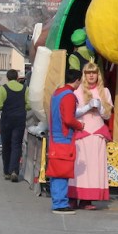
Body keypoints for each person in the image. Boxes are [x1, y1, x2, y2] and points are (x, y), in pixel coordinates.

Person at [70, 61, 113, 209]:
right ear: (84, 74)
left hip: (97, 134)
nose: (91, 75)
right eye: (88, 73)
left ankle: (87, 200)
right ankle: (73, 196)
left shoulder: (105, 91)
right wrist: (87, 107)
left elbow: (107, 116)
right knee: (79, 167)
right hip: (82, 131)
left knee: (94, 167)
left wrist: (100, 107)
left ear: (98, 74)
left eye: (94, 72)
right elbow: (72, 113)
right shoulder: (77, 91)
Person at [46, 67, 83, 214]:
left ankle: (58, 200)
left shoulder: (57, 93)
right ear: (77, 80)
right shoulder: (69, 96)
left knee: (56, 172)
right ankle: (60, 203)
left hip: (55, 138)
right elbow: (68, 119)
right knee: (62, 172)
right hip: (64, 138)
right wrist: (80, 125)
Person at [0, 68, 30, 182]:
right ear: (17, 77)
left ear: (7, 77)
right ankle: (14, 170)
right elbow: (29, 105)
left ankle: (7, 171)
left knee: (6, 145)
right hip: (19, 119)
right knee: (16, 145)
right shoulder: (25, 89)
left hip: (7, 119)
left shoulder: (3, 89)